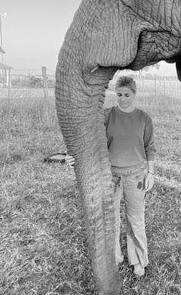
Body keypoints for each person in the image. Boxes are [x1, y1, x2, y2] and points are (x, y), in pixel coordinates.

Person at [66, 75, 156, 277]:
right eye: (119, 94)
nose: (123, 99)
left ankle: (139, 260)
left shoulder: (143, 118)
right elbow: (90, 138)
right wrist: (73, 156)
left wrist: (151, 173)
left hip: (136, 176)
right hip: (110, 176)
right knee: (111, 219)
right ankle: (114, 258)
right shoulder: (106, 115)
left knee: (136, 219)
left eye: (127, 95)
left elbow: (150, 148)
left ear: (134, 94)